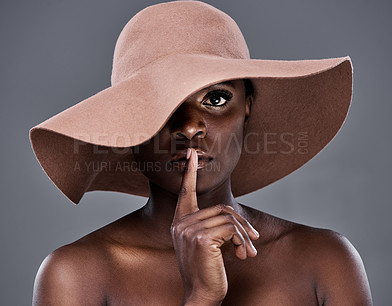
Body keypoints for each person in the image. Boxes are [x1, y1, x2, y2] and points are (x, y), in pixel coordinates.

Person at [29, 1, 372, 305]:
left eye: (217, 99)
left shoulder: (325, 261)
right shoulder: (75, 275)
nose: (190, 127)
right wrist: (200, 298)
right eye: (159, 104)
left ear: (247, 109)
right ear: (129, 128)